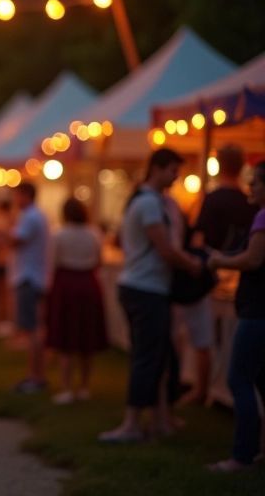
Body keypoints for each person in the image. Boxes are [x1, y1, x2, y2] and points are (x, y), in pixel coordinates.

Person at [99, 149, 203, 443]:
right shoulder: (148, 203)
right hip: (146, 288)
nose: (176, 177)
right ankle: (131, 423)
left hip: (144, 286)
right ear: (156, 169)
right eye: (173, 170)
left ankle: (158, 420)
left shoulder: (146, 200)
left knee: (155, 357)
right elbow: (165, 249)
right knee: (147, 358)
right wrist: (194, 266)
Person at [182, 145, 256, 407]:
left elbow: (200, 239)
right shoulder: (249, 203)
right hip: (240, 278)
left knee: (202, 335)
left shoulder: (213, 200)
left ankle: (201, 388)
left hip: (215, 276)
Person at [206, 159, 265, 472]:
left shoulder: (263, 216)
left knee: (239, 379)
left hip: (257, 312)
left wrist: (219, 262)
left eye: (256, 181)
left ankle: (241, 456)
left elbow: (253, 260)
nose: (250, 187)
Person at [45, 198, 107, 404]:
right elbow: (99, 261)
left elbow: (53, 262)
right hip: (89, 284)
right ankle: (84, 387)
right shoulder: (94, 233)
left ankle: (67, 388)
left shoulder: (59, 234)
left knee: (66, 338)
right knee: (86, 337)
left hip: (66, 285)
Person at [1, 182, 50, 394]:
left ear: (26, 195)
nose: (15, 200)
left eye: (17, 196)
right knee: (33, 328)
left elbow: (16, 240)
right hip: (34, 277)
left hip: (28, 278)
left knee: (31, 329)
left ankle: (35, 376)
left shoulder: (31, 216)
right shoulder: (35, 215)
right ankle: (36, 375)